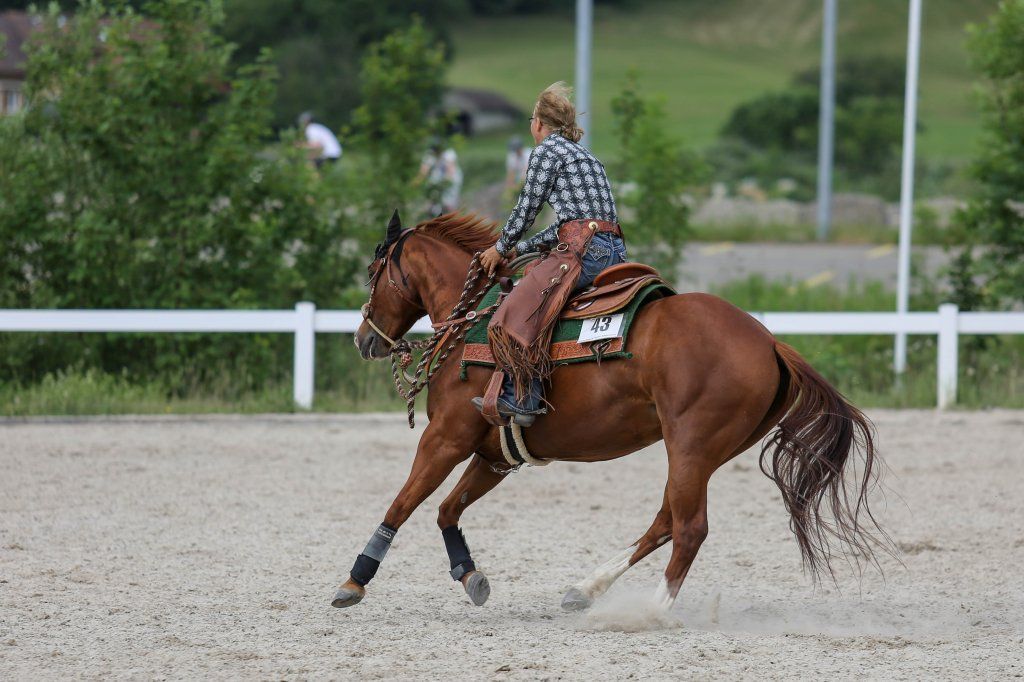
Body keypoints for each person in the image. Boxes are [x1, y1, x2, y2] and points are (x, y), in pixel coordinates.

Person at [473, 82, 627, 426]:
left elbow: (527, 208)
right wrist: (520, 249)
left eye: (532, 119)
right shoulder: (587, 156)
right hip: (613, 250)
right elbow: (568, 225)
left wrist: (499, 247)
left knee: (516, 306)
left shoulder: (546, 152)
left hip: (585, 250)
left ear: (539, 123)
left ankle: (524, 397)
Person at [419, 139, 463, 215]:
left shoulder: (448, 153)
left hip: (451, 178)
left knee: (448, 203)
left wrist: (442, 187)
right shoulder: (430, 153)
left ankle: (453, 219)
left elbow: (450, 171)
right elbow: (423, 171)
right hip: (438, 177)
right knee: (432, 202)